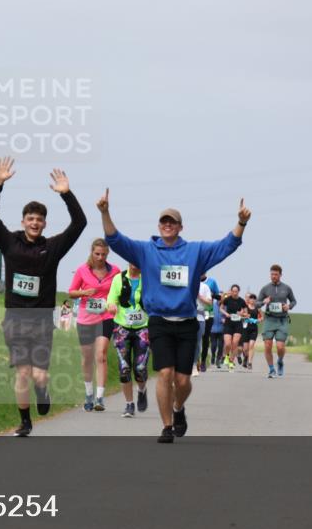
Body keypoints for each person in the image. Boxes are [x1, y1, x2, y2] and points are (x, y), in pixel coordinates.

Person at [98, 189, 250, 442]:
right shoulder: (146, 251)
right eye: (163, 222)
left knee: (182, 380)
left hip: (187, 322)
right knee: (164, 374)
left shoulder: (195, 252)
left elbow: (227, 245)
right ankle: (166, 426)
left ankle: (178, 409)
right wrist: (105, 212)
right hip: (158, 321)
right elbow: (115, 240)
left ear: (180, 227)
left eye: (172, 222)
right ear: (159, 226)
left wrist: (241, 223)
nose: (167, 225)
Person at [0, 157, 86, 437]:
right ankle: (25, 422)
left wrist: (67, 193)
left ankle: (43, 389)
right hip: (15, 320)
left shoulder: (52, 248)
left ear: (44, 223)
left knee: (39, 375)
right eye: (30, 219)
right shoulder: (9, 243)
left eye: (39, 220)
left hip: (41, 322)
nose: (35, 223)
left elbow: (79, 223)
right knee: (23, 374)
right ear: (23, 221)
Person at [68, 239, 121, 411]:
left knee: (101, 355)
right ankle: (88, 394)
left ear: (108, 254)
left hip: (105, 317)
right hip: (86, 318)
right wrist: (84, 292)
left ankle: (100, 398)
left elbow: (120, 292)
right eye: (97, 254)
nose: (100, 257)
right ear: (92, 252)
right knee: (87, 358)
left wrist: (114, 304)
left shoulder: (115, 272)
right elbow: (71, 292)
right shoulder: (83, 270)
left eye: (103, 254)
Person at [106, 263, 150, 417]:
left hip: (143, 328)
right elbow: (111, 299)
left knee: (140, 368)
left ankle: (142, 390)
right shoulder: (118, 279)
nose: (133, 265)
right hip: (122, 328)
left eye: (137, 262)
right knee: (124, 369)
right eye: (131, 261)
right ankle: (129, 404)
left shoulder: (148, 279)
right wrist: (111, 305)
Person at [258, 264, 298, 378]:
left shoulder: (286, 288)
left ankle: (280, 361)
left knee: (280, 346)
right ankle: (271, 369)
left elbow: (294, 301)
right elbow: (256, 303)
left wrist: (289, 306)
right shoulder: (265, 288)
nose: (273, 276)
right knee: (267, 345)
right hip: (269, 319)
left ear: (280, 275)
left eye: (276, 274)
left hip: (282, 320)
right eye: (272, 274)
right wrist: (263, 302)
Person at [220, 285, 246, 372]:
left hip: (238, 324)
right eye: (233, 291)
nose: (235, 293)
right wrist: (226, 314)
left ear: (239, 291)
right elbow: (221, 308)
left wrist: (242, 313)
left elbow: (246, 312)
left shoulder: (241, 301)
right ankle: (227, 356)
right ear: (231, 291)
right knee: (227, 344)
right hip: (228, 323)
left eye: (236, 291)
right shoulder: (227, 299)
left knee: (235, 343)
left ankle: (231, 361)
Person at [193, 274, 213, 377]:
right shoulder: (186, 285)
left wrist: (199, 296)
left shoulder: (204, 287)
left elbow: (209, 303)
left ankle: (194, 364)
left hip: (200, 317)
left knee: (197, 342)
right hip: (186, 316)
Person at [241, 294, 262, 370]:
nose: (252, 300)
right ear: (249, 300)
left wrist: (259, 320)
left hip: (254, 329)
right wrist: (244, 315)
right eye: (251, 298)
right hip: (246, 329)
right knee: (245, 349)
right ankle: (246, 357)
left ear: (255, 300)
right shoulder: (245, 308)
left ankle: (250, 363)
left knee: (251, 345)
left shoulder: (257, 308)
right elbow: (240, 314)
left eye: (254, 298)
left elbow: (262, 317)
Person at [209, 295, 225, 367]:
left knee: (221, 346)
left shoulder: (225, 306)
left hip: (222, 329)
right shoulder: (212, 304)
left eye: (222, 299)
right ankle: (213, 355)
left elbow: (228, 314)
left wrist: (225, 319)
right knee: (214, 345)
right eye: (219, 298)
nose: (220, 300)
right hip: (212, 329)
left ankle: (218, 360)